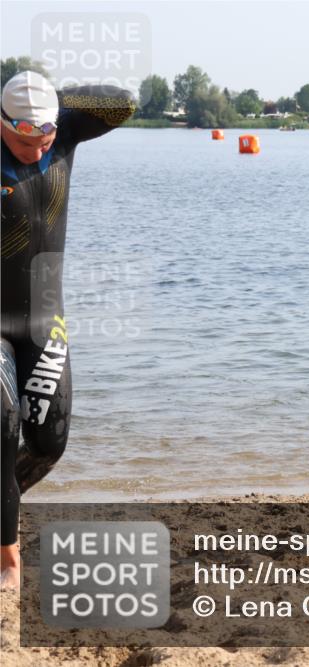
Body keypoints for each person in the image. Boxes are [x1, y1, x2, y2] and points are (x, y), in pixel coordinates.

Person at [1, 71, 135, 589]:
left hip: (43, 318)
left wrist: (51, 107)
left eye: (44, 139)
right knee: (2, 418)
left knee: (47, 444)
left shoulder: (68, 132)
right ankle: (7, 561)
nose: (35, 150)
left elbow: (121, 103)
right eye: (21, 140)